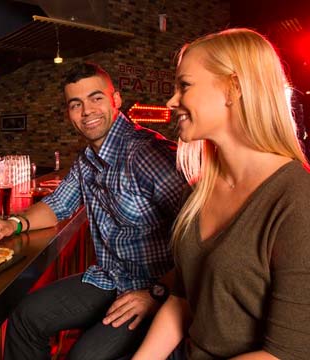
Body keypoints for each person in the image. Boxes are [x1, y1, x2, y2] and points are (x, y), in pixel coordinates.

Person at [0, 63, 187, 359]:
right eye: (76, 104)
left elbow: (199, 236)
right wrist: (13, 223)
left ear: (116, 100)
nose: (87, 111)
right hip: (109, 278)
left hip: (153, 288)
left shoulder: (146, 154)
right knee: (26, 317)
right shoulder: (87, 159)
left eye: (96, 98)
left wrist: (157, 293)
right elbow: (57, 205)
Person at [133, 28, 310, 359]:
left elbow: (288, 354)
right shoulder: (200, 191)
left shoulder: (297, 201)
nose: (171, 101)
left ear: (234, 89)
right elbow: (183, 299)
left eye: (184, 85)